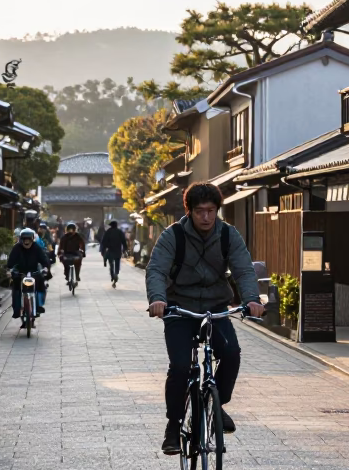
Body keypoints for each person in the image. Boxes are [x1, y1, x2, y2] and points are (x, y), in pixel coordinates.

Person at [146, 183, 265, 454]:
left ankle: (217, 404)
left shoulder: (228, 235)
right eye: (200, 212)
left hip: (215, 307)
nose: (206, 218)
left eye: (211, 211)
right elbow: (156, 270)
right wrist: (157, 299)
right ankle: (173, 427)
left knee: (231, 353)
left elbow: (244, 270)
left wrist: (252, 300)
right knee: (179, 367)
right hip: (179, 309)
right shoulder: (173, 236)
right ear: (189, 212)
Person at [7, 228, 48, 320]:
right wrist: (9, 270)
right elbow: (11, 261)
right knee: (16, 288)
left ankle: (39, 305)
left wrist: (45, 267)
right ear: (21, 239)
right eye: (25, 239)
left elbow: (44, 259)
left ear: (32, 239)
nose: (26, 241)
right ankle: (17, 309)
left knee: (41, 284)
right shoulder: (16, 248)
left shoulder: (37, 247)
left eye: (28, 239)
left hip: (34, 272)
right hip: (20, 273)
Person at [100, 220, 127, 287]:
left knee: (111, 264)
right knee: (117, 263)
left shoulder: (108, 232)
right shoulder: (120, 232)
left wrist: (103, 250)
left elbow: (104, 242)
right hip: (118, 251)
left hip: (110, 250)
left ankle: (112, 275)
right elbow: (124, 241)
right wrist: (124, 249)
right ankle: (116, 273)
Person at [59, 222, 86, 286]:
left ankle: (77, 276)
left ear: (74, 230)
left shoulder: (78, 236)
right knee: (65, 263)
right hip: (66, 253)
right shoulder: (64, 237)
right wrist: (60, 252)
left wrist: (82, 251)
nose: (71, 232)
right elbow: (61, 246)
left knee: (78, 263)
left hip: (76, 252)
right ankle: (67, 276)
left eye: (72, 230)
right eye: (69, 230)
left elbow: (82, 244)